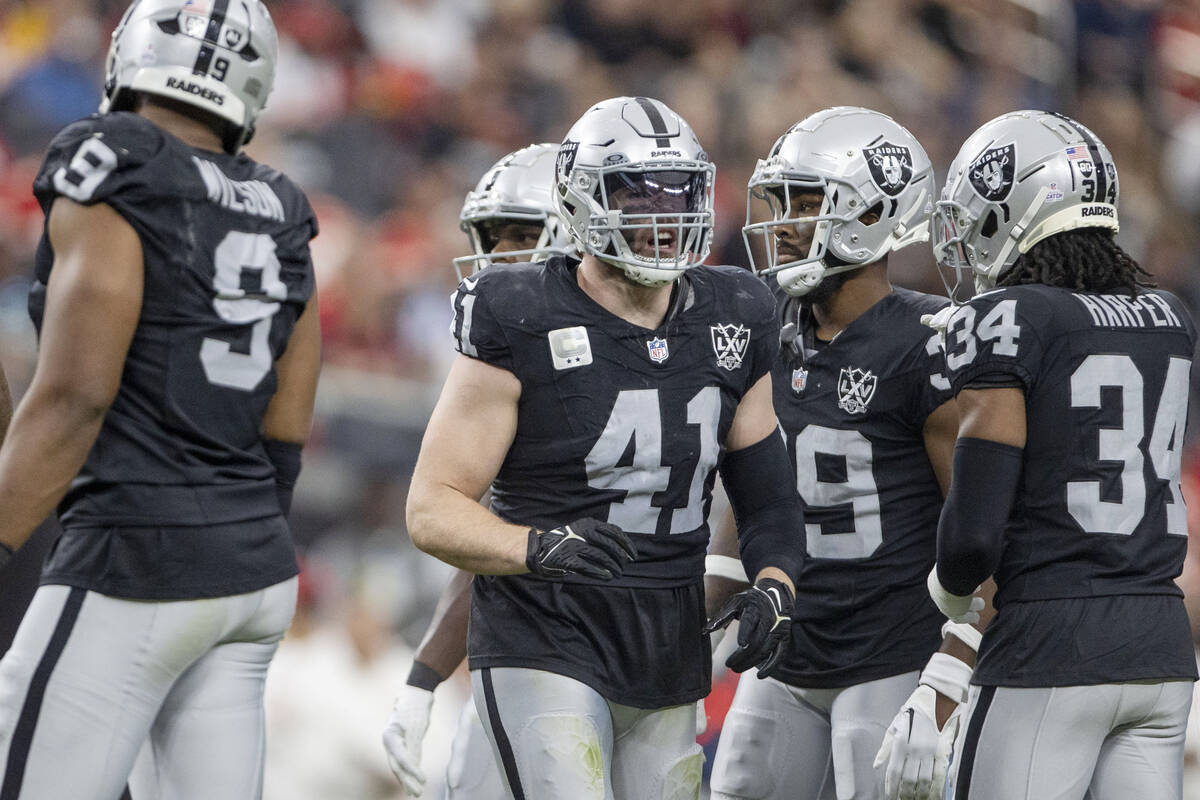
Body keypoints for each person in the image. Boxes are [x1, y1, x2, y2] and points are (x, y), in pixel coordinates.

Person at [405, 95, 805, 800]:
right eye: (636, 192)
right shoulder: (520, 311)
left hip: (666, 643)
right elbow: (432, 508)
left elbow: (768, 492)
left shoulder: (736, 311)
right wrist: (535, 546)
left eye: (678, 192)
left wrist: (774, 583)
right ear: (583, 197)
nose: (663, 213)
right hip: (546, 631)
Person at [0, 1, 321, 798]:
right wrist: (232, 539)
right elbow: (286, 426)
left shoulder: (114, 157)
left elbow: (75, 394)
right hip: (251, 575)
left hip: (134, 557)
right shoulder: (283, 202)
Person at [927, 109, 1196, 800]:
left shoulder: (1009, 318)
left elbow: (973, 537)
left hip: (1052, 644)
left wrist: (952, 608)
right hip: (1161, 648)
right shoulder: (1169, 315)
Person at [707, 107, 970, 800]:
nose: (784, 221)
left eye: (807, 201)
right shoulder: (765, 323)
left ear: (875, 213)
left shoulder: (929, 342)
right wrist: (703, 621)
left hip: (893, 655)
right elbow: (754, 492)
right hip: (786, 648)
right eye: (782, 199)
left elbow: (980, 524)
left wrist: (954, 664)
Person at [383, 142, 571, 800]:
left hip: (637, 652)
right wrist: (424, 677)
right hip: (535, 650)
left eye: (525, 236)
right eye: (495, 240)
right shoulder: (509, 361)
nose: (501, 260)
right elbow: (487, 537)